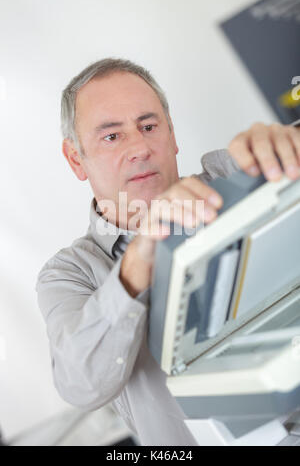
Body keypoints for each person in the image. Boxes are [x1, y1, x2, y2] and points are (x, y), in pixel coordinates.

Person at [35, 58, 300, 446]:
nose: (140, 147)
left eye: (148, 126)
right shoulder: (68, 274)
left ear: (172, 134)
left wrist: (288, 145)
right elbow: (80, 384)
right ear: (77, 159)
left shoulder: (235, 174)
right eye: (112, 136)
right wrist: (139, 260)